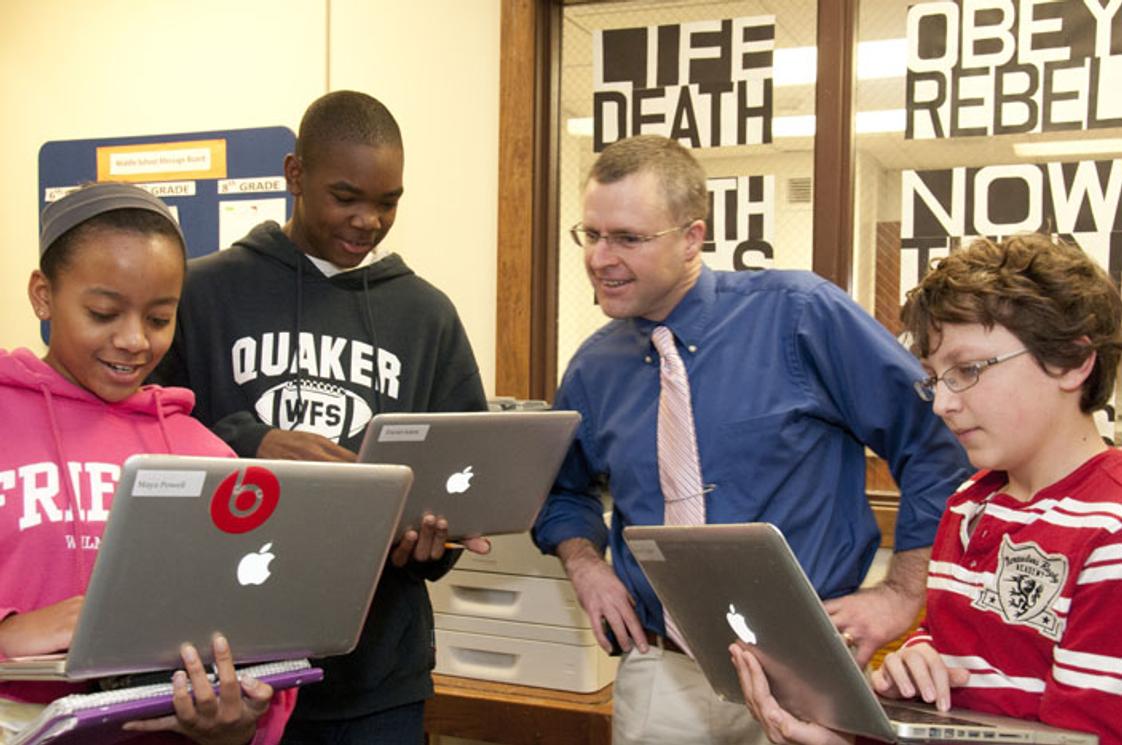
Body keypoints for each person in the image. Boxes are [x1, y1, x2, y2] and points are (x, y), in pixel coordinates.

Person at [530, 134, 972, 745]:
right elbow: (562, 491)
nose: (601, 257)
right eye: (592, 235)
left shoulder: (801, 315)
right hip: (664, 673)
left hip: (806, 669)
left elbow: (935, 442)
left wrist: (902, 592)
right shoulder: (593, 367)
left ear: (692, 237)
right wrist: (586, 564)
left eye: (628, 238)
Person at [152, 91, 488, 745]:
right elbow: (146, 443)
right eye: (346, 196)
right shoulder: (203, 291)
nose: (368, 220)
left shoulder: (426, 315)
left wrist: (432, 541)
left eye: (387, 201)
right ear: (295, 174)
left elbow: (463, 474)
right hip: (230, 678)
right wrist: (249, 442)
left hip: (377, 677)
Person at [732, 233, 1122, 745]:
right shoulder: (969, 503)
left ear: (1072, 362)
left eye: (968, 370)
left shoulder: (1109, 530)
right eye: (934, 379)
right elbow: (952, 650)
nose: (941, 405)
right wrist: (915, 662)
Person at [0, 182, 296, 744]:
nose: (134, 340)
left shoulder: (205, 455)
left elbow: (260, 638)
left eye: (159, 319)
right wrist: (9, 636)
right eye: (103, 312)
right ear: (43, 295)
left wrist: (237, 725)